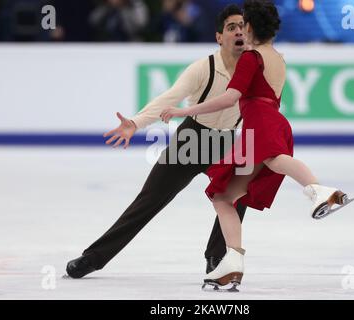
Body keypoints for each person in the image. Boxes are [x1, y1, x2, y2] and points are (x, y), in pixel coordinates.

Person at [160, 0, 354, 290]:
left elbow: (230, 97)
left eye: (243, 25)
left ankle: (319, 190)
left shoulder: (251, 58)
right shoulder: (278, 57)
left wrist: (183, 111)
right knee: (224, 196)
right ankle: (232, 264)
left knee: (273, 161)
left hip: (260, 124)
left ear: (249, 27)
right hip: (270, 122)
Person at [66, 4, 250, 278]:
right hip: (192, 140)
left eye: (242, 27)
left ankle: (217, 259)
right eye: (231, 27)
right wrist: (136, 123)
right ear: (219, 37)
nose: (238, 32)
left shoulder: (255, 69)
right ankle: (93, 257)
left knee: (239, 194)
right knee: (148, 202)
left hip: (225, 143)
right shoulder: (203, 68)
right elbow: (169, 98)